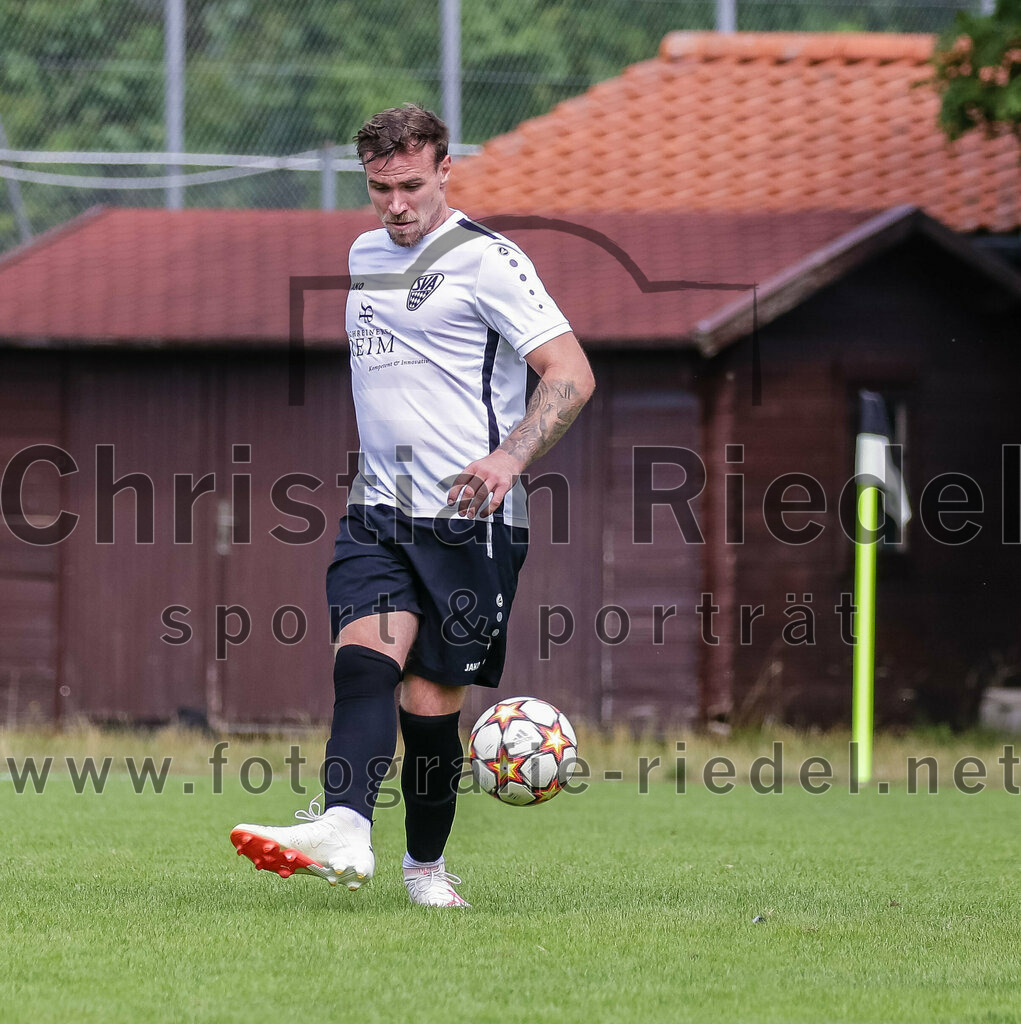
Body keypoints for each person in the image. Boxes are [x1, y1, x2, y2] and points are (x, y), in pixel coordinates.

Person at [230, 103, 594, 907]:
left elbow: (570, 373)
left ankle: (424, 870)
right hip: (379, 508)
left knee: (429, 712)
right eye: (378, 188)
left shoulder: (489, 260)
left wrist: (509, 456)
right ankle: (345, 827)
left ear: (444, 172)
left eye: (409, 186)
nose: (394, 205)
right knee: (364, 664)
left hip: (472, 522)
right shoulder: (363, 252)